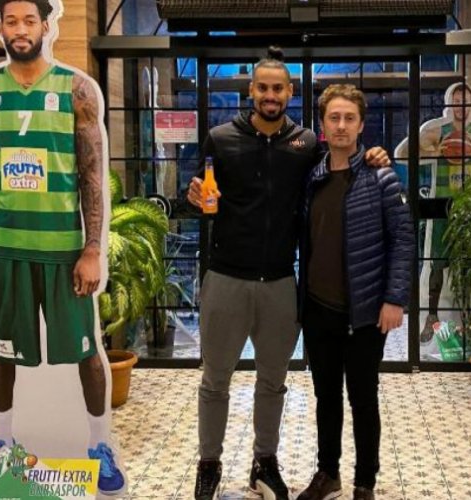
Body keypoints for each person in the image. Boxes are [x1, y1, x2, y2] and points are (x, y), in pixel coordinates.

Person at [0, 0, 125, 494]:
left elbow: (92, 175)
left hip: (63, 249)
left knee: (85, 351)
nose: (20, 30)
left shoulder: (76, 89)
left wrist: (93, 249)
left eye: (29, 21)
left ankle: (99, 447)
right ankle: (2, 443)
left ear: (46, 25)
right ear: (0, 27)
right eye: (11, 21)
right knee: (2, 350)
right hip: (7, 246)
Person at [186, 48, 390, 500]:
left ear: (290, 92)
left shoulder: (306, 145)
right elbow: (199, 192)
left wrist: (374, 155)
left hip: (280, 282)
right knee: (215, 381)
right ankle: (209, 464)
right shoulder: (220, 138)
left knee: (272, 382)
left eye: (278, 88)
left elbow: (342, 164)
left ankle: (265, 463)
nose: (270, 95)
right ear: (251, 90)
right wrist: (193, 197)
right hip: (225, 278)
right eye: (263, 87)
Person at [296, 84, 414, 500]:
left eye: (349, 118)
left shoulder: (381, 176)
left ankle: (365, 482)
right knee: (325, 397)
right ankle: (328, 473)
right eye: (334, 118)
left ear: (362, 125)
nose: (341, 125)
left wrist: (394, 299)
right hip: (318, 309)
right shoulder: (312, 177)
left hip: (364, 312)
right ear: (323, 125)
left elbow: (403, 239)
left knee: (363, 400)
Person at [394, 83, 471, 344]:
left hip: (470, 211)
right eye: (456, 99)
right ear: (449, 101)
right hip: (441, 206)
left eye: (465, 99)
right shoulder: (436, 130)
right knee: (436, 265)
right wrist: (431, 147)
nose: (460, 104)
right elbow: (401, 154)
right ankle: (431, 316)